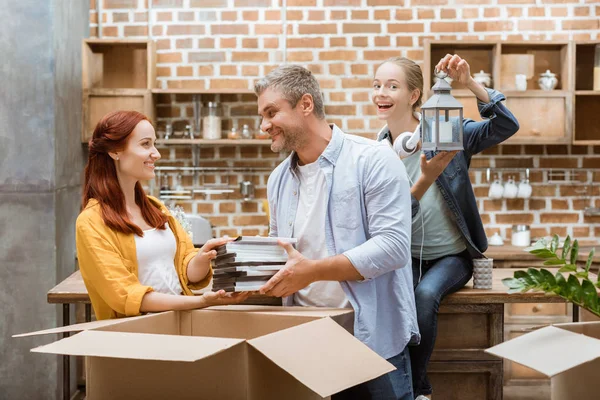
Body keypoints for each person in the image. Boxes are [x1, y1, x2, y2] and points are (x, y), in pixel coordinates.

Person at [255, 65, 420, 400]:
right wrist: (243, 275)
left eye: (272, 112)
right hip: (304, 338)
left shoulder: (373, 160)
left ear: (305, 104)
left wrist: (312, 272)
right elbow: (281, 254)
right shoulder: (279, 180)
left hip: (371, 338)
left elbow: (393, 247)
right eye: (262, 115)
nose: (264, 126)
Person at [373, 55, 519, 400]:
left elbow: (505, 126)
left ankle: (418, 390)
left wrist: (469, 83)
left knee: (423, 296)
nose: (381, 92)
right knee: (393, 307)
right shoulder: (375, 153)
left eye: (392, 86)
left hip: (451, 256)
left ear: (413, 95)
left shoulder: (446, 129)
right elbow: (388, 218)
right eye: (377, 85)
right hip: (404, 256)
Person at [76, 110, 249, 320]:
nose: (156, 153)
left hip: (179, 326)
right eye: (145, 144)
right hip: (133, 336)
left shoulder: (155, 208)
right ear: (115, 151)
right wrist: (202, 301)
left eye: (154, 144)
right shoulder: (91, 222)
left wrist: (203, 257)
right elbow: (125, 295)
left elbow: (185, 271)